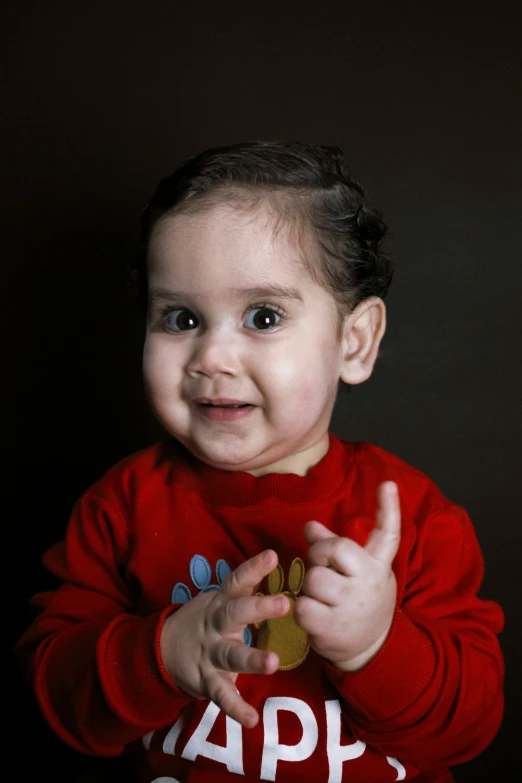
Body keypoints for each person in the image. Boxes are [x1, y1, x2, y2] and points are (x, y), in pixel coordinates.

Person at [15, 140, 504, 783]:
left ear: (353, 342)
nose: (211, 357)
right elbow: (53, 699)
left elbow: (466, 732)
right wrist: (160, 652)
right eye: (181, 317)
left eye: (263, 316)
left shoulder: (415, 517)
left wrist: (377, 646)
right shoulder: (122, 504)